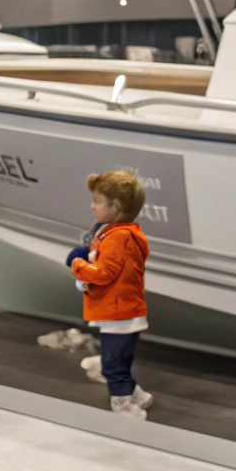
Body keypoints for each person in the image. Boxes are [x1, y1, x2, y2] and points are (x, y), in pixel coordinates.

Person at [70, 171, 154, 419]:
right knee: (117, 360)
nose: (92, 205)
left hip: (119, 314)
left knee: (115, 366)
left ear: (115, 206)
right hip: (121, 312)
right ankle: (137, 394)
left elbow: (104, 273)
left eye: (98, 200)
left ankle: (123, 406)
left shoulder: (118, 238)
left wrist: (78, 266)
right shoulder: (120, 234)